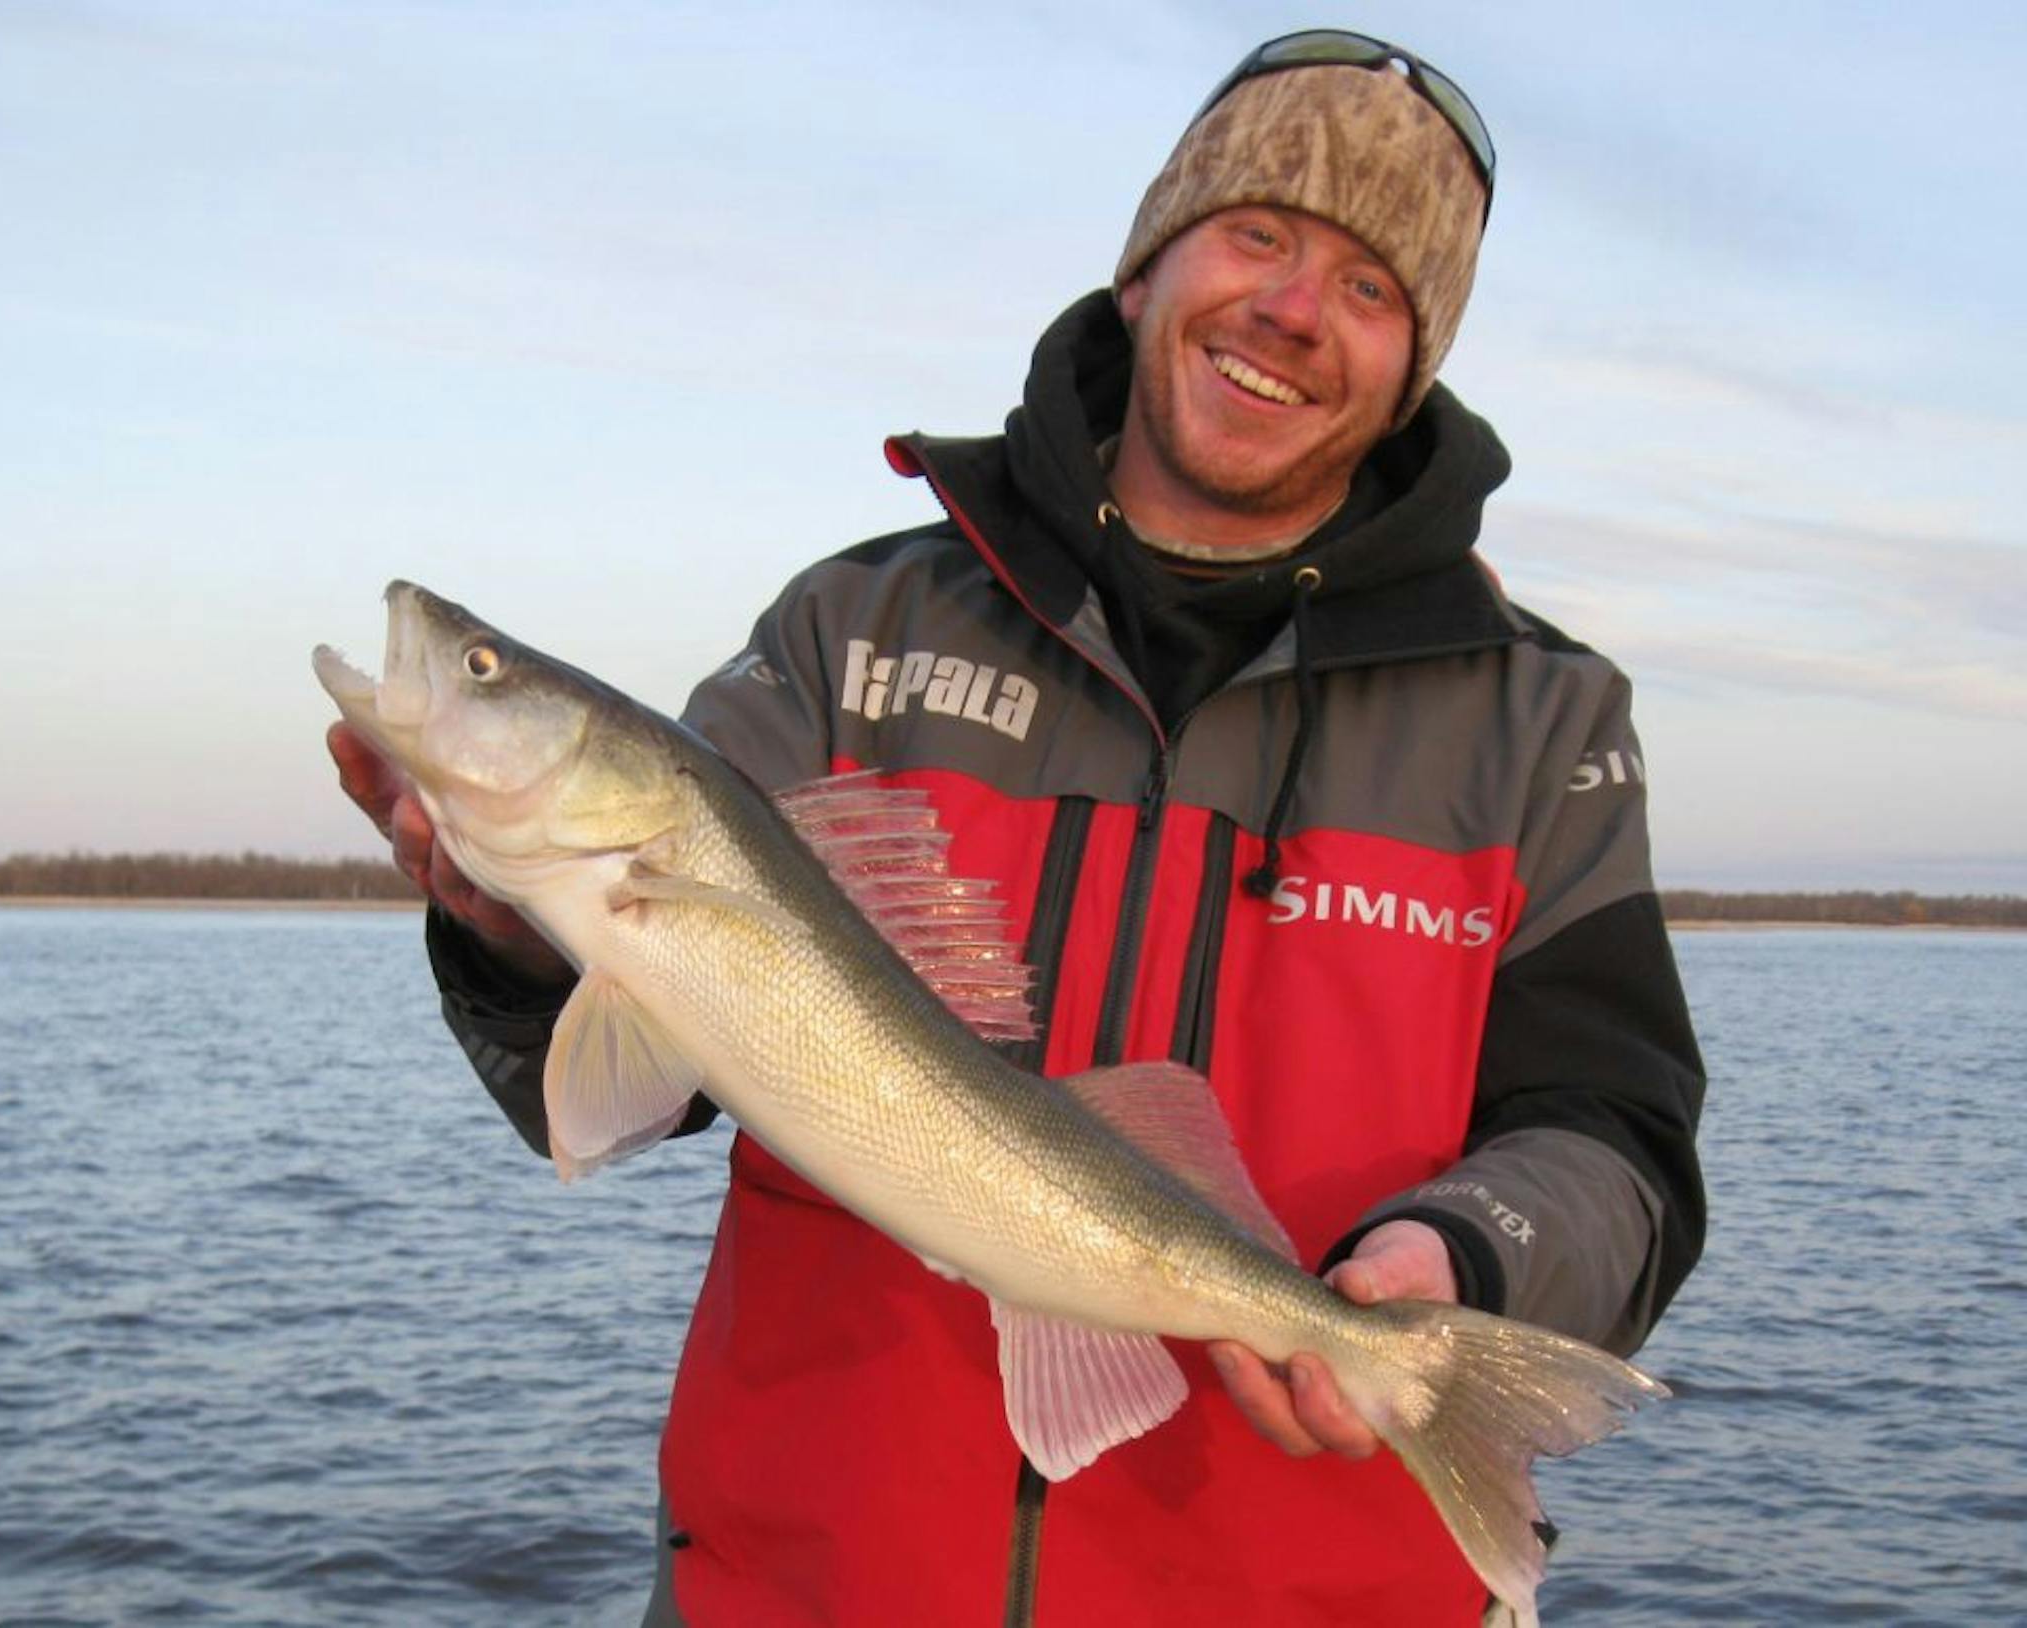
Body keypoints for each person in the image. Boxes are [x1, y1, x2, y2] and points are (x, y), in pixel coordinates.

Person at [330, 28, 1705, 1627]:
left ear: (1414, 370)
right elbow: (629, 1091)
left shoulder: (1542, 721)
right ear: (1145, 270)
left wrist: (1459, 1265)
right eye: (1258, 233)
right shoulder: (852, 626)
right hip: (812, 1587)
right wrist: (508, 932)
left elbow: (1622, 1145)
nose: (1293, 311)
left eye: (1371, 288)